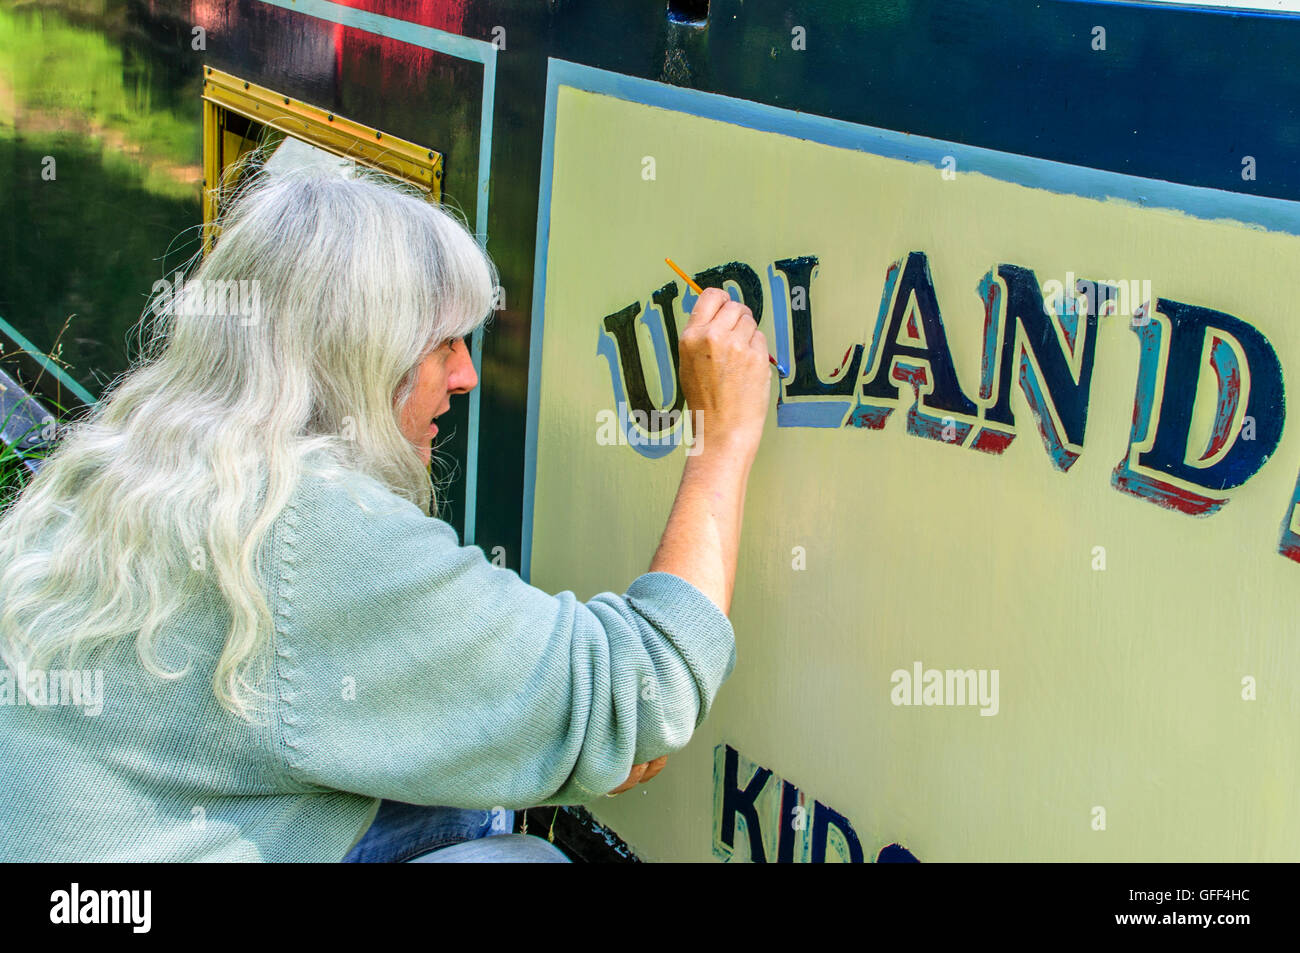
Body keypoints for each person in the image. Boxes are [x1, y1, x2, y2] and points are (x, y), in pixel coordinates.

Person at [0, 160, 771, 862]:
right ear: (361, 357)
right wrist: (722, 440)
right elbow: (641, 693)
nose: (467, 375)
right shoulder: (307, 528)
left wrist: (545, 727)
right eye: (444, 346)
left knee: (466, 804)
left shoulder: (138, 444)